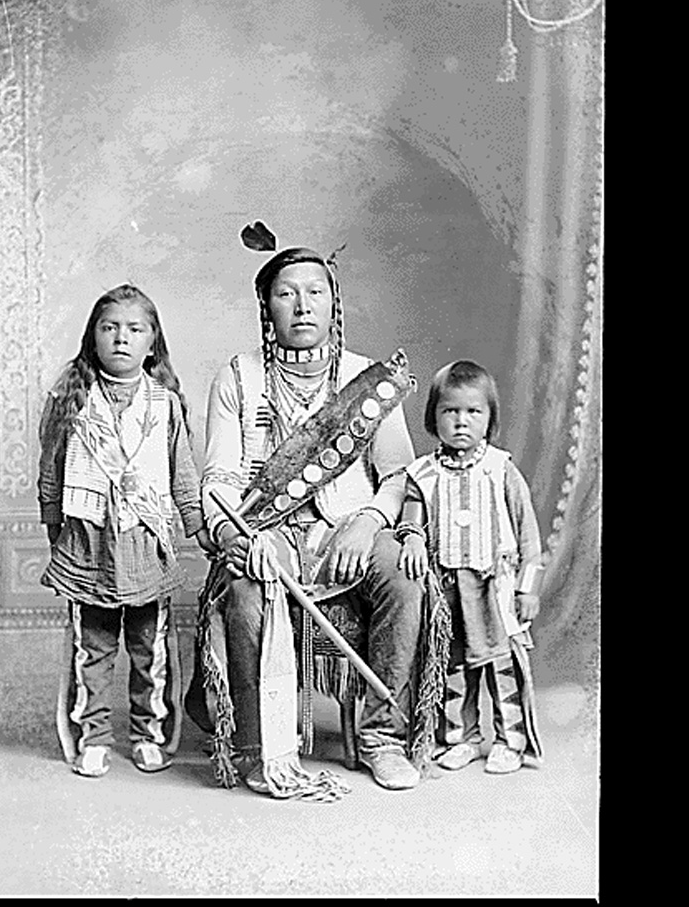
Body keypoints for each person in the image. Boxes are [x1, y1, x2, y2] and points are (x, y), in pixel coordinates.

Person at [187, 225, 450, 799]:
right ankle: (260, 747)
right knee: (245, 588)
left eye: (315, 291)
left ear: (335, 303)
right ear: (266, 305)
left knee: (403, 574)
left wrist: (370, 521)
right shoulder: (237, 376)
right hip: (267, 530)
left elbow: (398, 473)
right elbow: (219, 475)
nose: (302, 305)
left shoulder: (367, 379)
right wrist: (236, 531)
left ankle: (382, 736)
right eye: (287, 292)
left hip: (349, 530)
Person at [37, 284, 213, 778]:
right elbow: (50, 469)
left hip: (145, 544)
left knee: (150, 649)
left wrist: (199, 529)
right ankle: (92, 735)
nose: (121, 338)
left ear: (152, 342)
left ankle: (149, 733)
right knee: (90, 648)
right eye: (109, 328)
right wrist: (56, 528)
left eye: (135, 330)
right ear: (92, 337)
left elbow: (183, 476)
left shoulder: (165, 404)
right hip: (89, 542)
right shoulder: (70, 401)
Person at [391, 360, 544, 774]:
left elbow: (530, 538)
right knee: (453, 667)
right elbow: (410, 519)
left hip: (495, 590)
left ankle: (510, 742)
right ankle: (463, 738)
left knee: (500, 666)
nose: (461, 421)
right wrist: (414, 537)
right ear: (433, 417)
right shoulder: (422, 475)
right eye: (450, 411)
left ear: (489, 418)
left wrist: (528, 589)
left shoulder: (501, 470)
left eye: (473, 412)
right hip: (446, 592)